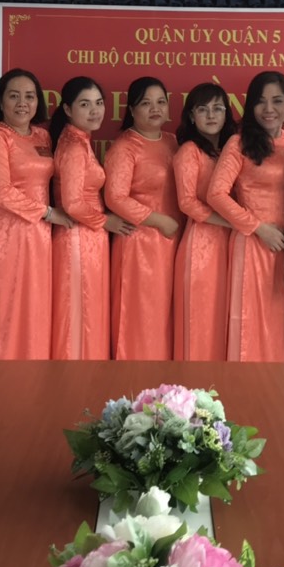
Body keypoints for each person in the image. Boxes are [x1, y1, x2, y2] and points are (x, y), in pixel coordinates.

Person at [0, 69, 73, 360]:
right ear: (0, 102)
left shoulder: (42, 136)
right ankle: (1, 382)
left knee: (34, 312)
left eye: (29, 96)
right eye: (14, 96)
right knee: (5, 315)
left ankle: (33, 380)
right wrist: (47, 213)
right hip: (5, 238)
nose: (22, 103)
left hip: (39, 239)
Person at [208, 72, 284, 362]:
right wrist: (258, 228)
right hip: (253, 245)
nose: (269, 109)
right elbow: (216, 194)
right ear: (250, 106)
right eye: (261, 102)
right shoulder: (238, 143)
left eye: (277, 101)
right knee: (251, 322)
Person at [48, 76, 133, 360]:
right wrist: (106, 221)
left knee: (87, 310)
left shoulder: (79, 140)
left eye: (98, 103)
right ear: (68, 109)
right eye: (85, 104)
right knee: (79, 312)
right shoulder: (74, 146)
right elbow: (72, 203)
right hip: (77, 238)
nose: (94, 110)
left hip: (87, 237)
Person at [105, 77, 181, 360]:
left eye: (160, 102)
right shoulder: (125, 147)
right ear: (132, 109)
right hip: (139, 244)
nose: (155, 109)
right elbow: (115, 198)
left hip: (173, 243)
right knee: (142, 316)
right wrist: (159, 221)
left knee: (167, 317)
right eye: (146, 103)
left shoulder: (173, 142)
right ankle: (136, 378)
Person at [171, 82, 236, 361]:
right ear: (191, 115)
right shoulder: (189, 151)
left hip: (232, 244)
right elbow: (187, 203)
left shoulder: (232, 149)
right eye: (203, 109)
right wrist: (231, 222)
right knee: (200, 321)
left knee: (226, 320)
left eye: (218, 108)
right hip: (201, 247)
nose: (211, 115)